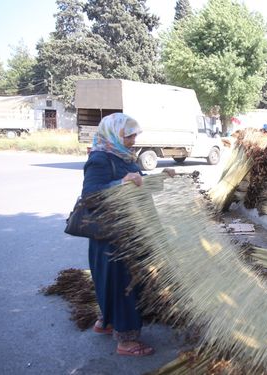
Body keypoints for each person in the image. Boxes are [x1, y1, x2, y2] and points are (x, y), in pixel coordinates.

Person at [82, 113, 175, 356]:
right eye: (129, 135)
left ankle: (107, 322)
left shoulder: (123, 156)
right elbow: (90, 197)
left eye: (135, 134)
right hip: (112, 238)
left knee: (112, 283)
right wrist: (119, 185)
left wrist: (161, 179)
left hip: (130, 233)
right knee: (124, 285)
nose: (134, 139)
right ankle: (126, 341)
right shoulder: (100, 159)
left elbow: (139, 186)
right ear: (113, 133)